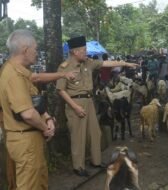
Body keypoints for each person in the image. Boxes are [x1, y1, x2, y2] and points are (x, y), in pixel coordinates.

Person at [56, 36, 137, 177]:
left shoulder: (88, 63)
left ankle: (96, 161)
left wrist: (125, 63)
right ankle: (78, 166)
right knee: (78, 137)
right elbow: (60, 90)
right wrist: (75, 107)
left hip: (89, 102)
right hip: (75, 104)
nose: (86, 52)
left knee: (95, 133)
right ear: (75, 52)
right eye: (83, 50)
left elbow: (105, 63)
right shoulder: (64, 67)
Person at [0, 29, 56, 190]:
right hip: (25, 142)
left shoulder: (20, 72)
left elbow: (35, 103)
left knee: (39, 182)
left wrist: (48, 118)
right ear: (25, 50)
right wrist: (46, 129)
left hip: (29, 139)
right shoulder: (13, 76)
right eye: (35, 49)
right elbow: (28, 114)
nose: (37, 53)